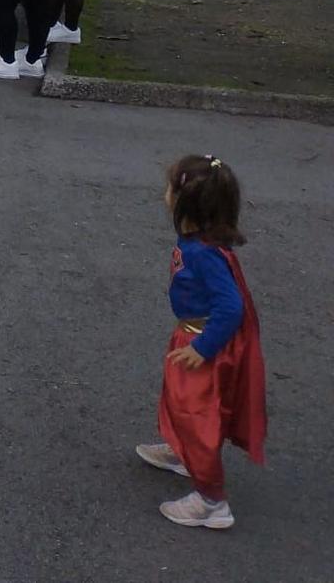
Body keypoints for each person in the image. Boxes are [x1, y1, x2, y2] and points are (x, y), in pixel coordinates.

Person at [140, 154, 266, 531]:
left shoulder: (204, 253)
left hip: (202, 342)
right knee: (179, 403)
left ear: (186, 204)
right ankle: (184, 452)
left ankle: (211, 502)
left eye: (170, 189)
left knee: (196, 414)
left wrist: (202, 348)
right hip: (193, 334)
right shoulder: (197, 241)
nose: (164, 194)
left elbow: (231, 306)